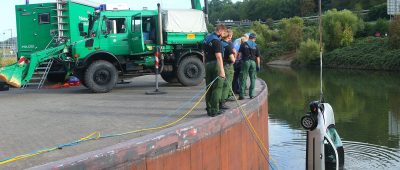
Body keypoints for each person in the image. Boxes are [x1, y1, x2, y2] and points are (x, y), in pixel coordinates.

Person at [203, 24, 227, 117]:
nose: (224, 34)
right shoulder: (216, 41)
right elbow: (218, 56)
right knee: (217, 88)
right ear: (220, 30)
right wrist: (222, 70)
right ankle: (214, 110)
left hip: (208, 65)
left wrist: (205, 66)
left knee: (208, 87)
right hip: (215, 65)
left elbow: (203, 54)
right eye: (224, 32)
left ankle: (209, 109)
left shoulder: (206, 39)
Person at [238, 33, 261, 100]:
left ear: (249, 38)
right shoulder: (256, 46)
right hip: (253, 62)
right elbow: (258, 57)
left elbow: (239, 54)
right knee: (253, 78)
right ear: (254, 39)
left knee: (243, 78)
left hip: (245, 62)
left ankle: (241, 95)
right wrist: (258, 65)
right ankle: (251, 95)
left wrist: (239, 60)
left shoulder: (243, 44)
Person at [220, 29, 235, 108]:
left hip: (219, 64)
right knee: (227, 84)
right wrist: (234, 57)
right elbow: (233, 59)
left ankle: (218, 101)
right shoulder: (228, 46)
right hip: (227, 66)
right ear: (229, 37)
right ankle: (222, 102)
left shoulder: (219, 43)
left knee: (220, 84)